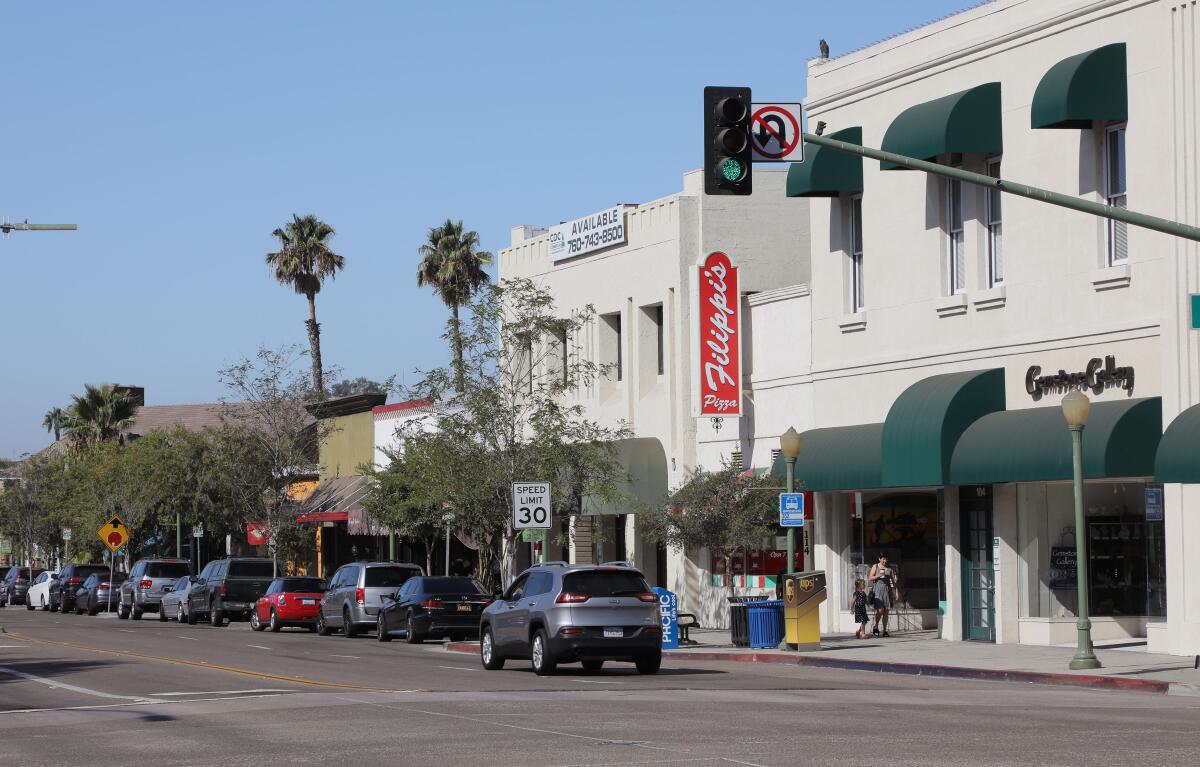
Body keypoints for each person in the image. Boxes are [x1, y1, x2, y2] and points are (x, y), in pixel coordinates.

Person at [869, 553, 898, 637]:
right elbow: (870, 577)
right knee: (880, 610)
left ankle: (885, 630)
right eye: (883, 559)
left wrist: (896, 591)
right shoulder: (875, 566)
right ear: (879, 559)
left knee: (886, 611)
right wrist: (878, 575)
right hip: (878, 589)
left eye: (886, 559)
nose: (885, 561)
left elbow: (893, 581)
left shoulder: (889, 569)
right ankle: (876, 626)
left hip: (887, 590)